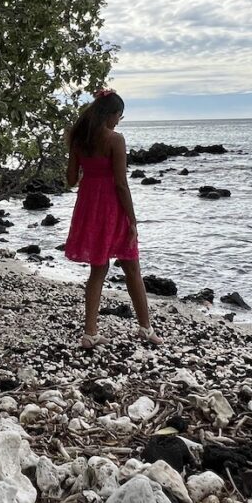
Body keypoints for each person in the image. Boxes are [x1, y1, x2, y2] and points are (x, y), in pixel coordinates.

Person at [64, 88, 162, 349]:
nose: (119, 121)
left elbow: (71, 179)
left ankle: (90, 333)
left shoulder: (77, 139)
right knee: (132, 268)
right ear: (110, 114)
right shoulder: (115, 139)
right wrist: (132, 220)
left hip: (88, 207)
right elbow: (121, 183)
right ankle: (145, 328)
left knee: (98, 270)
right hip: (112, 208)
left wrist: (90, 175)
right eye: (119, 115)